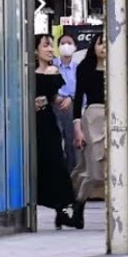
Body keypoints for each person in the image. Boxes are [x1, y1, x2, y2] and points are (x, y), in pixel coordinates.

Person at [34, 35, 83, 229]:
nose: (50, 50)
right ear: (35, 50)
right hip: (31, 123)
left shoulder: (53, 71)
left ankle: (61, 207)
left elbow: (54, 96)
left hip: (47, 121)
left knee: (56, 161)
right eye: (45, 46)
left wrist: (67, 98)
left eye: (50, 46)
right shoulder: (29, 71)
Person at [71, 34, 106, 224]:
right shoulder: (85, 68)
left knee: (111, 165)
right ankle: (79, 203)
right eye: (100, 43)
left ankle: (79, 206)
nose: (103, 47)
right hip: (92, 118)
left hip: (114, 117)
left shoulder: (118, 68)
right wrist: (77, 126)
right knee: (94, 168)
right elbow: (78, 97)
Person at [54, 33, 79, 173]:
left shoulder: (77, 68)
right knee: (56, 143)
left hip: (71, 108)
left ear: (75, 47)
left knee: (71, 144)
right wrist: (55, 97)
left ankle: (72, 174)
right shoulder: (53, 65)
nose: (65, 46)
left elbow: (81, 90)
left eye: (69, 43)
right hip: (54, 105)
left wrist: (71, 98)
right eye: (62, 43)